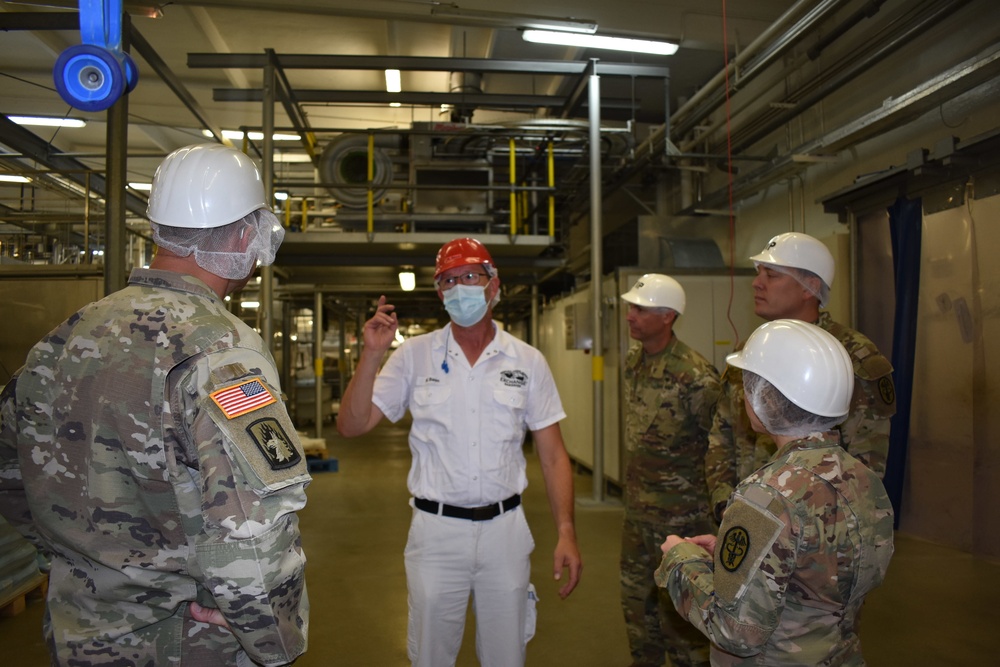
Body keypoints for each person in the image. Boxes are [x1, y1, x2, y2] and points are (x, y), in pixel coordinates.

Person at [0, 143, 310, 666]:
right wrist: (274, 639)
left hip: (79, 634)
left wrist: (76, 564)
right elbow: (251, 528)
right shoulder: (220, 350)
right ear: (240, 235)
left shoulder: (65, 338)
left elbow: (12, 472)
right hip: (181, 641)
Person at [337, 237, 582, 667]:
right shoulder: (414, 357)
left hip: (505, 532)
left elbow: (554, 456)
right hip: (436, 534)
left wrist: (566, 530)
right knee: (430, 657)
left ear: (493, 285)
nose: (459, 286)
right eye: (448, 280)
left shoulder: (527, 361)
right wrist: (372, 355)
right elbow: (352, 425)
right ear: (439, 294)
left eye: (470, 276)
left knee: (507, 657)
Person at [656, 319, 895, 665]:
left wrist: (681, 559)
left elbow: (736, 630)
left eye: (749, 384)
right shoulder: (862, 479)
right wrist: (729, 555)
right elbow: (812, 572)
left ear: (766, 396)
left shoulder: (766, 495)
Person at [705, 232, 896, 522]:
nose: (757, 283)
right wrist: (726, 506)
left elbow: (866, 465)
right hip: (745, 519)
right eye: (759, 274)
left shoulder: (853, 356)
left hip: (817, 534)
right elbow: (722, 435)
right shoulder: (749, 351)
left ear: (811, 286)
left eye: (771, 275)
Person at [618, 275, 721, 667]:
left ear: (667, 316)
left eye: (640, 309)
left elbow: (719, 446)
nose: (630, 316)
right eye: (631, 308)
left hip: (682, 521)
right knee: (636, 611)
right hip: (637, 517)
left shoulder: (696, 377)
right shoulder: (634, 362)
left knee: (681, 619)